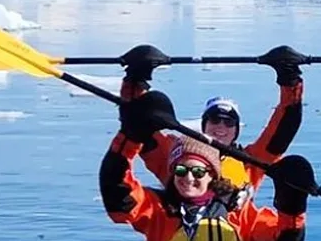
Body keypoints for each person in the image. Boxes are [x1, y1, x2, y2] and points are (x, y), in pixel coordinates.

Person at [99, 89, 316, 241]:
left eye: (199, 171)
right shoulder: (159, 208)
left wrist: (292, 201)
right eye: (181, 171)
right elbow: (138, 124)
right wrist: (135, 86)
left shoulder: (245, 187)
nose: (189, 178)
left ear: (212, 176)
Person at [117, 43, 307, 196]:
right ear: (204, 125)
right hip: (181, 237)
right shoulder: (174, 155)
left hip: (232, 238)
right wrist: (135, 79)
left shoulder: (251, 162)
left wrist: (290, 79)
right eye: (215, 120)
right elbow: (137, 125)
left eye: (229, 122)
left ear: (236, 130)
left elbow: (284, 129)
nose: (221, 127)